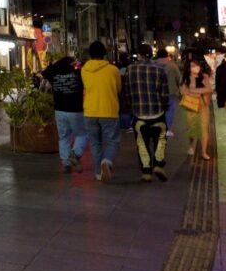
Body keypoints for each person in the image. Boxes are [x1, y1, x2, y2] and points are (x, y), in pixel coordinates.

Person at [125, 44, 171, 182]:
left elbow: (127, 92)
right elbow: (164, 93)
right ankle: (158, 164)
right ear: (151, 54)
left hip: (139, 114)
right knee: (161, 138)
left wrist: (130, 108)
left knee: (142, 143)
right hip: (157, 112)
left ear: (138, 55)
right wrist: (165, 106)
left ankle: (146, 172)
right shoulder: (159, 70)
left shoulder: (130, 70)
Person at [81, 41, 122, 183]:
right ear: (104, 53)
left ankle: (98, 172)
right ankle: (107, 161)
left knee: (95, 143)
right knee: (113, 140)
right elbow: (118, 89)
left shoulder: (84, 69)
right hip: (109, 110)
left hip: (90, 111)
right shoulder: (113, 70)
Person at [42, 55, 86, 173]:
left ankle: (66, 164)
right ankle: (75, 154)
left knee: (63, 137)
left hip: (59, 110)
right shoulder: (78, 74)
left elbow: (45, 72)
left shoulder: (54, 74)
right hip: (75, 110)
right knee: (82, 134)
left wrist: (56, 64)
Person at [180, 55, 214, 160]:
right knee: (192, 128)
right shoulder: (186, 78)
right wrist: (199, 91)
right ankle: (191, 145)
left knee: (204, 129)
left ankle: (203, 152)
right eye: (193, 66)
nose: (196, 68)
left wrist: (193, 91)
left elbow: (209, 89)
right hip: (191, 105)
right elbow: (183, 91)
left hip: (203, 105)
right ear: (189, 68)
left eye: (197, 66)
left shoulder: (204, 76)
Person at [157, 47, 183, 138]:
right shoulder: (172, 65)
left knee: (159, 111)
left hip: (157, 93)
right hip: (170, 92)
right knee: (170, 111)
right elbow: (179, 78)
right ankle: (167, 129)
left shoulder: (153, 65)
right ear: (167, 55)